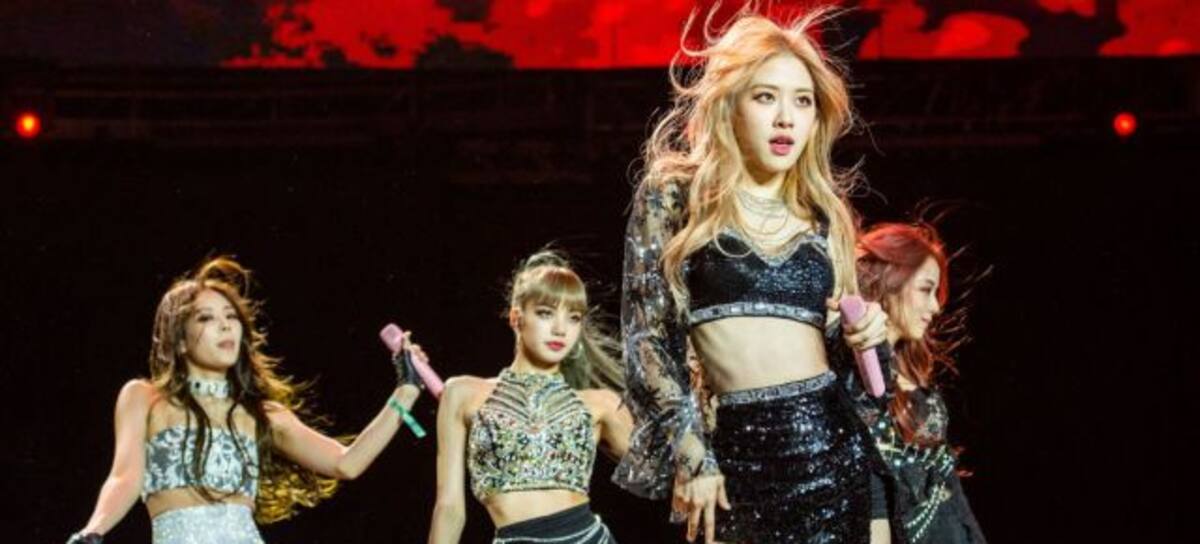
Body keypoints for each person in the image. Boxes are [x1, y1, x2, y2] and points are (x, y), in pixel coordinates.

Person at [615, 7, 890, 544]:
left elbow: (866, 389)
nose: (786, 118)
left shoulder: (824, 216)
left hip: (835, 453)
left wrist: (870, 339)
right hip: (737, 462)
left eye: (802, 101)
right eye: (766, 97)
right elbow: (647, 339)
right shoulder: (676, 196)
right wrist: (692, 454)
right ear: (731, 104)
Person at [67, 256, 426, 544]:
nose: (225, 326)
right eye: (206, 318)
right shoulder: (144, 398)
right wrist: (92, 532)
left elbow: (347, 463)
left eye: (231, 317)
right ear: (180, 340)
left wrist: (406, 389)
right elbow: (125, 477)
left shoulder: (262, 414)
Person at [427, 251, 633, 544]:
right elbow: (449, 509)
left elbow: (670, 476)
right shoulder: (462, 393)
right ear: (516, 317)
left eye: (573, 318)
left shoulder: (601, 404)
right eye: (546, 313)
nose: (560, 329)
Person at [840, 223, 987, 544]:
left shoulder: (914, 374)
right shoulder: (849, 374)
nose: (936, 307)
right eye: (926, 289)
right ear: (889, 279)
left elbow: (951, 491)